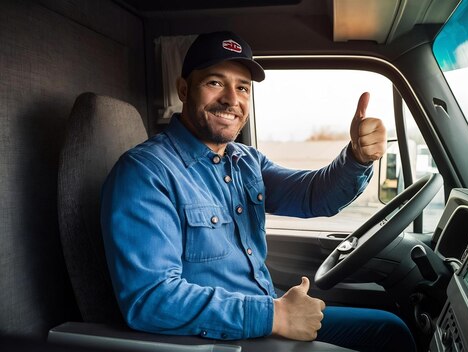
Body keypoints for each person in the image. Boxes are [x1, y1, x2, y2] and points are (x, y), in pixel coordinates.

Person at [100, 31, 416, 352]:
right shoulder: (146, 172)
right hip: (217, 339)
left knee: (389, 330)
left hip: (262, 313)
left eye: (242, 87)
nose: (231, 99)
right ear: (184, 89)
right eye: (214, 82)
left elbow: (312, 195)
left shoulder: (245, 160)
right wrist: (274, 316)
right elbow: (151, 299)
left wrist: (357, 158)